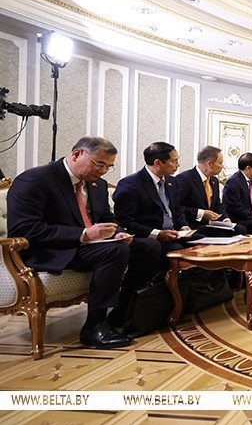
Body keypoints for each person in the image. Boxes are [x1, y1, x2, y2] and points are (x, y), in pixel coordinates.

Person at [7, 137, 161, 348]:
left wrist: (118, 233)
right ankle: (94, 327)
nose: (103, 171)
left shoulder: (98, 183)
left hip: (90, 245)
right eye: (99, 164)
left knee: (149, 247)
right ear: (77, 154)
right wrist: (84, 234)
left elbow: (107, 216)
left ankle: (122, 312)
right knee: (115, 252)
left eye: (109, 166)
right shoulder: (35, 179)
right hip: (52, 249)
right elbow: (25, 229)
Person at [113, 142, 196, 273]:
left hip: (175, 234)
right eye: (174, 161)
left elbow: (177, 210)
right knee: (175, 249)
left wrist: (184, 226)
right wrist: (158, 234)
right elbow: (125, 222)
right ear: (158, 163)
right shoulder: (130, 184)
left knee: (202, 241)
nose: (178, 165)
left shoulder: (172, 181)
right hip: (148, 237)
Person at [175, 145, 246, 236]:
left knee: (240, 229)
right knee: (224, 233)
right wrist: (201, 213)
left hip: (211, 223)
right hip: (192, 224)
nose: (222, 166)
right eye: (220, 163)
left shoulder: (214, 180)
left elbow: (217, 204)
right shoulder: (185, 179)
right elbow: (177, 207)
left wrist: (226, 219)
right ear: (209, 164)